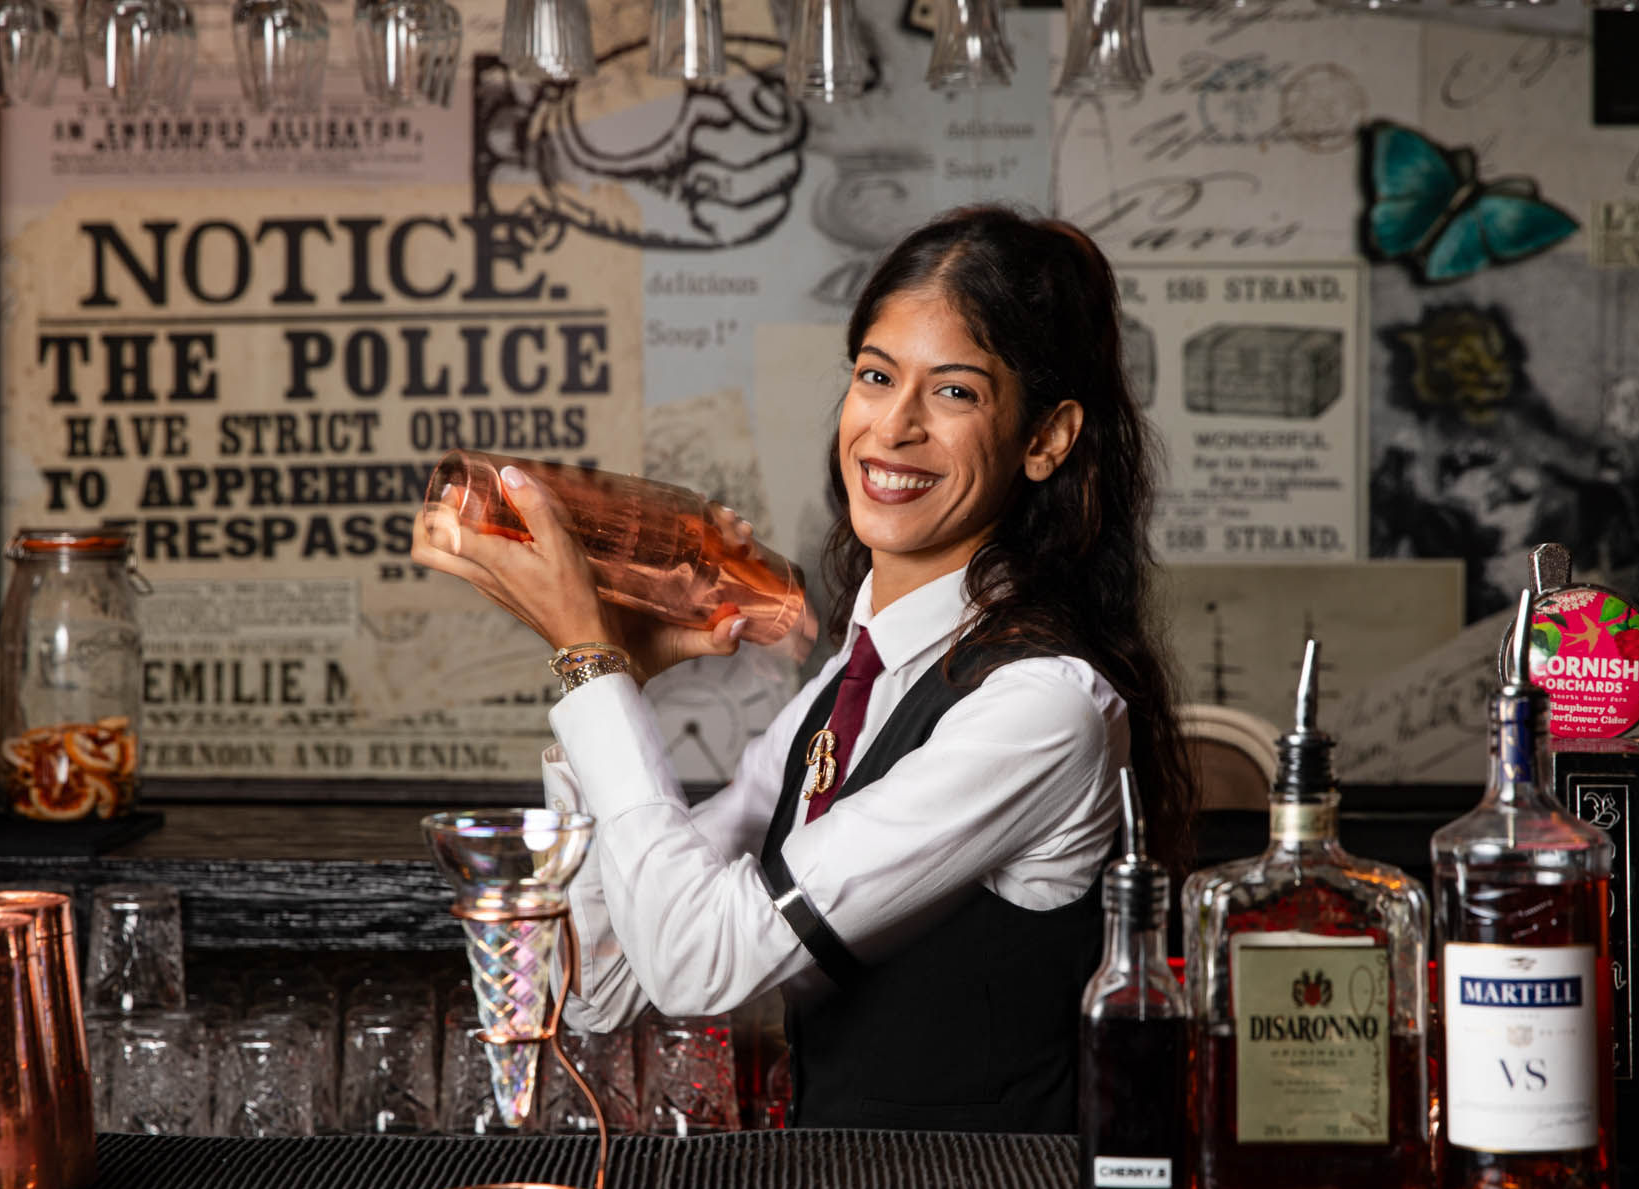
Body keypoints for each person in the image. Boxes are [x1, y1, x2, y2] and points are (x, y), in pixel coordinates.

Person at [411, 205, 1193, 1132]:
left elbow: (701, 960)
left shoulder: (1042, 708)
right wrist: (624, 673)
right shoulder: (842, 689)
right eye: (874, 376)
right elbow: (602, 982)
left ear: (1045, 439)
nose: (892, 428)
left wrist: (590, 665)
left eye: (954, 393)